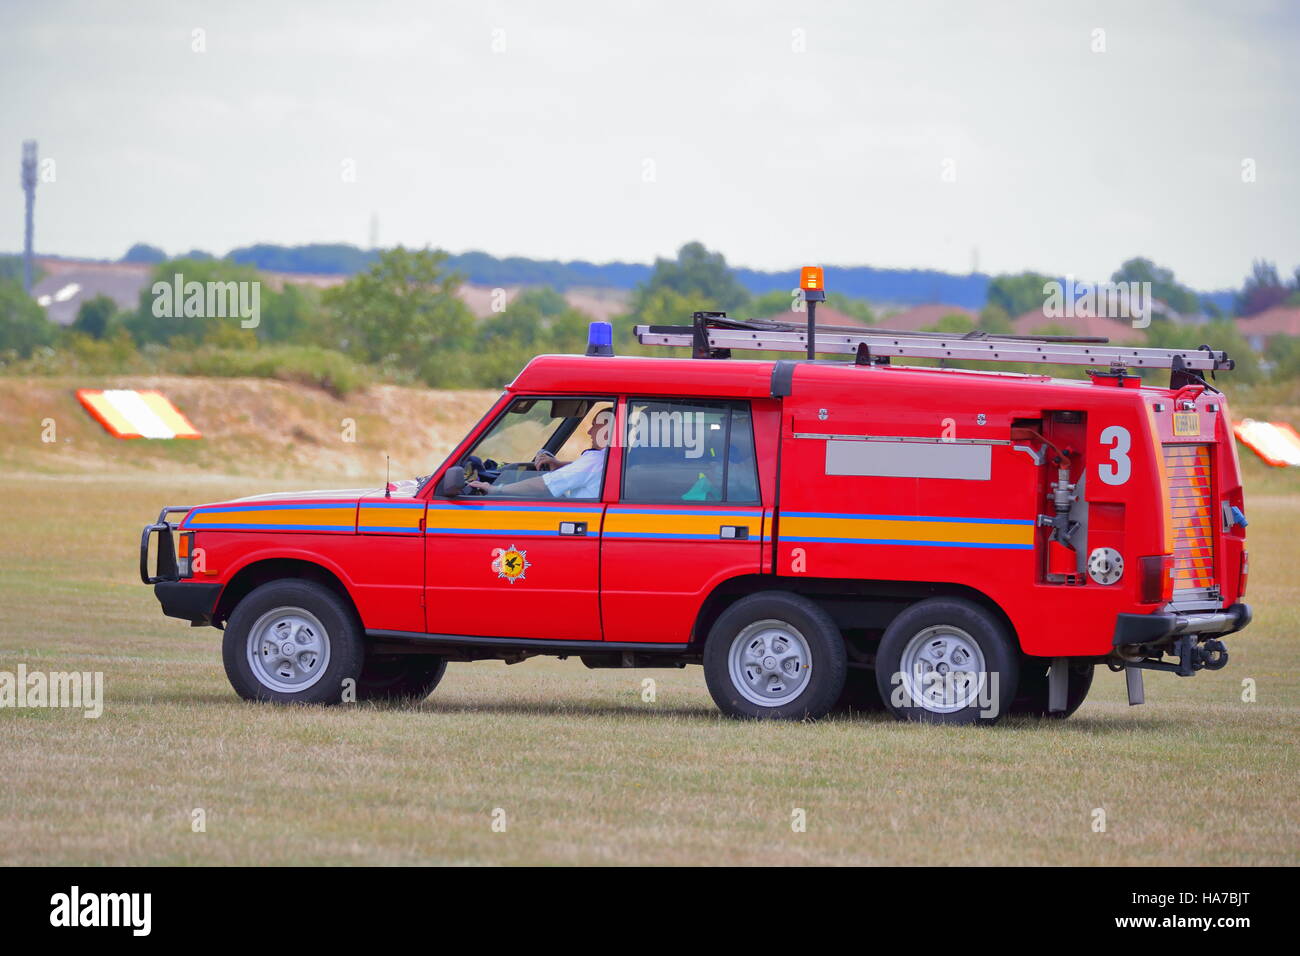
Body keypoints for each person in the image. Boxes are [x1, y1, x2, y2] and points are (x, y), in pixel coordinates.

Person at [467, 407, 612, 499]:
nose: (589, 431)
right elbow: (590, 470)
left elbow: (543, 485)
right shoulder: (609, 459)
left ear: (608, 430)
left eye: (595, 426)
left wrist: (496, 489)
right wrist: (559, 465)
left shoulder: (596, 459)